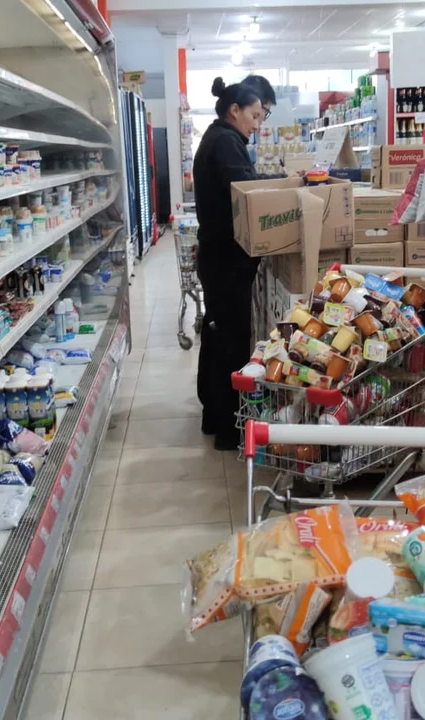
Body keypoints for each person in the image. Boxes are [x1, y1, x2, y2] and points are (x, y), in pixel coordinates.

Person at [192, 76, 272, 450]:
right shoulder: (225, 142)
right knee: (231, 342)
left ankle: (214, 416)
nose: (257, 125)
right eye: (254, 116)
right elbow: (247, 194)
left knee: (217, 334)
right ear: (234, 110)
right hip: (227, 261)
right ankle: (229, 429)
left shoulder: (219, 138)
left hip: (218, 257)